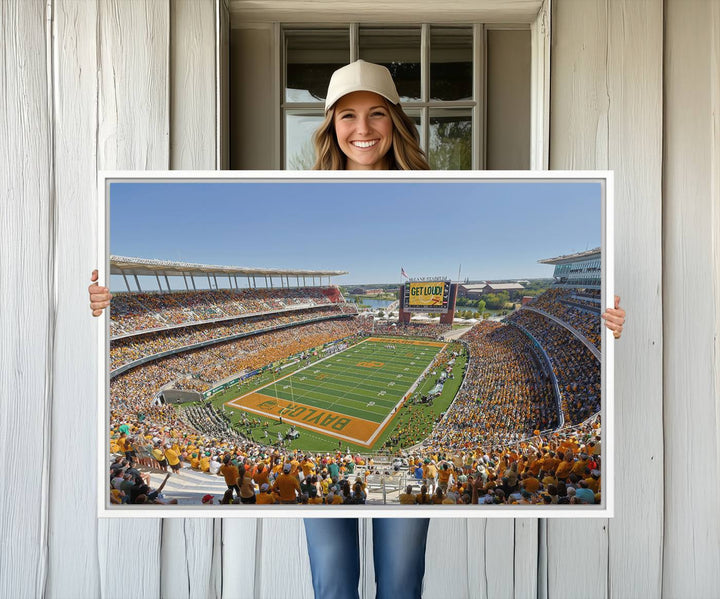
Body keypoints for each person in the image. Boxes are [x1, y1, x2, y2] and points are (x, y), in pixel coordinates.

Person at [89, 59, 626, 599]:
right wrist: (105, 307)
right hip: (328, 489)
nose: (362, 129)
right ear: (330, 126)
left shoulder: (442, 185)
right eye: (347, 116)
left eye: (376, 114)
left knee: (399, 581)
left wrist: (608, 324)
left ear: (396, 121)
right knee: (333, 582)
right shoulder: (304, 189)